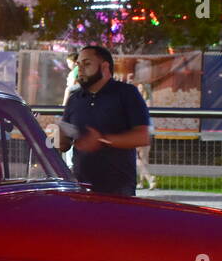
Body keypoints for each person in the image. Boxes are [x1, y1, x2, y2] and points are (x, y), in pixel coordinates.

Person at [58, 45, 153, 196]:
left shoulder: (126, 93)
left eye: (87, 63)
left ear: (104, 66)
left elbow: (142, 136)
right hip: (81, 187)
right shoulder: (75, 98)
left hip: (118, 188)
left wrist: (102, 140)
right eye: (78, 64)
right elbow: (64, 144)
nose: (80, 69)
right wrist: (55, 135)